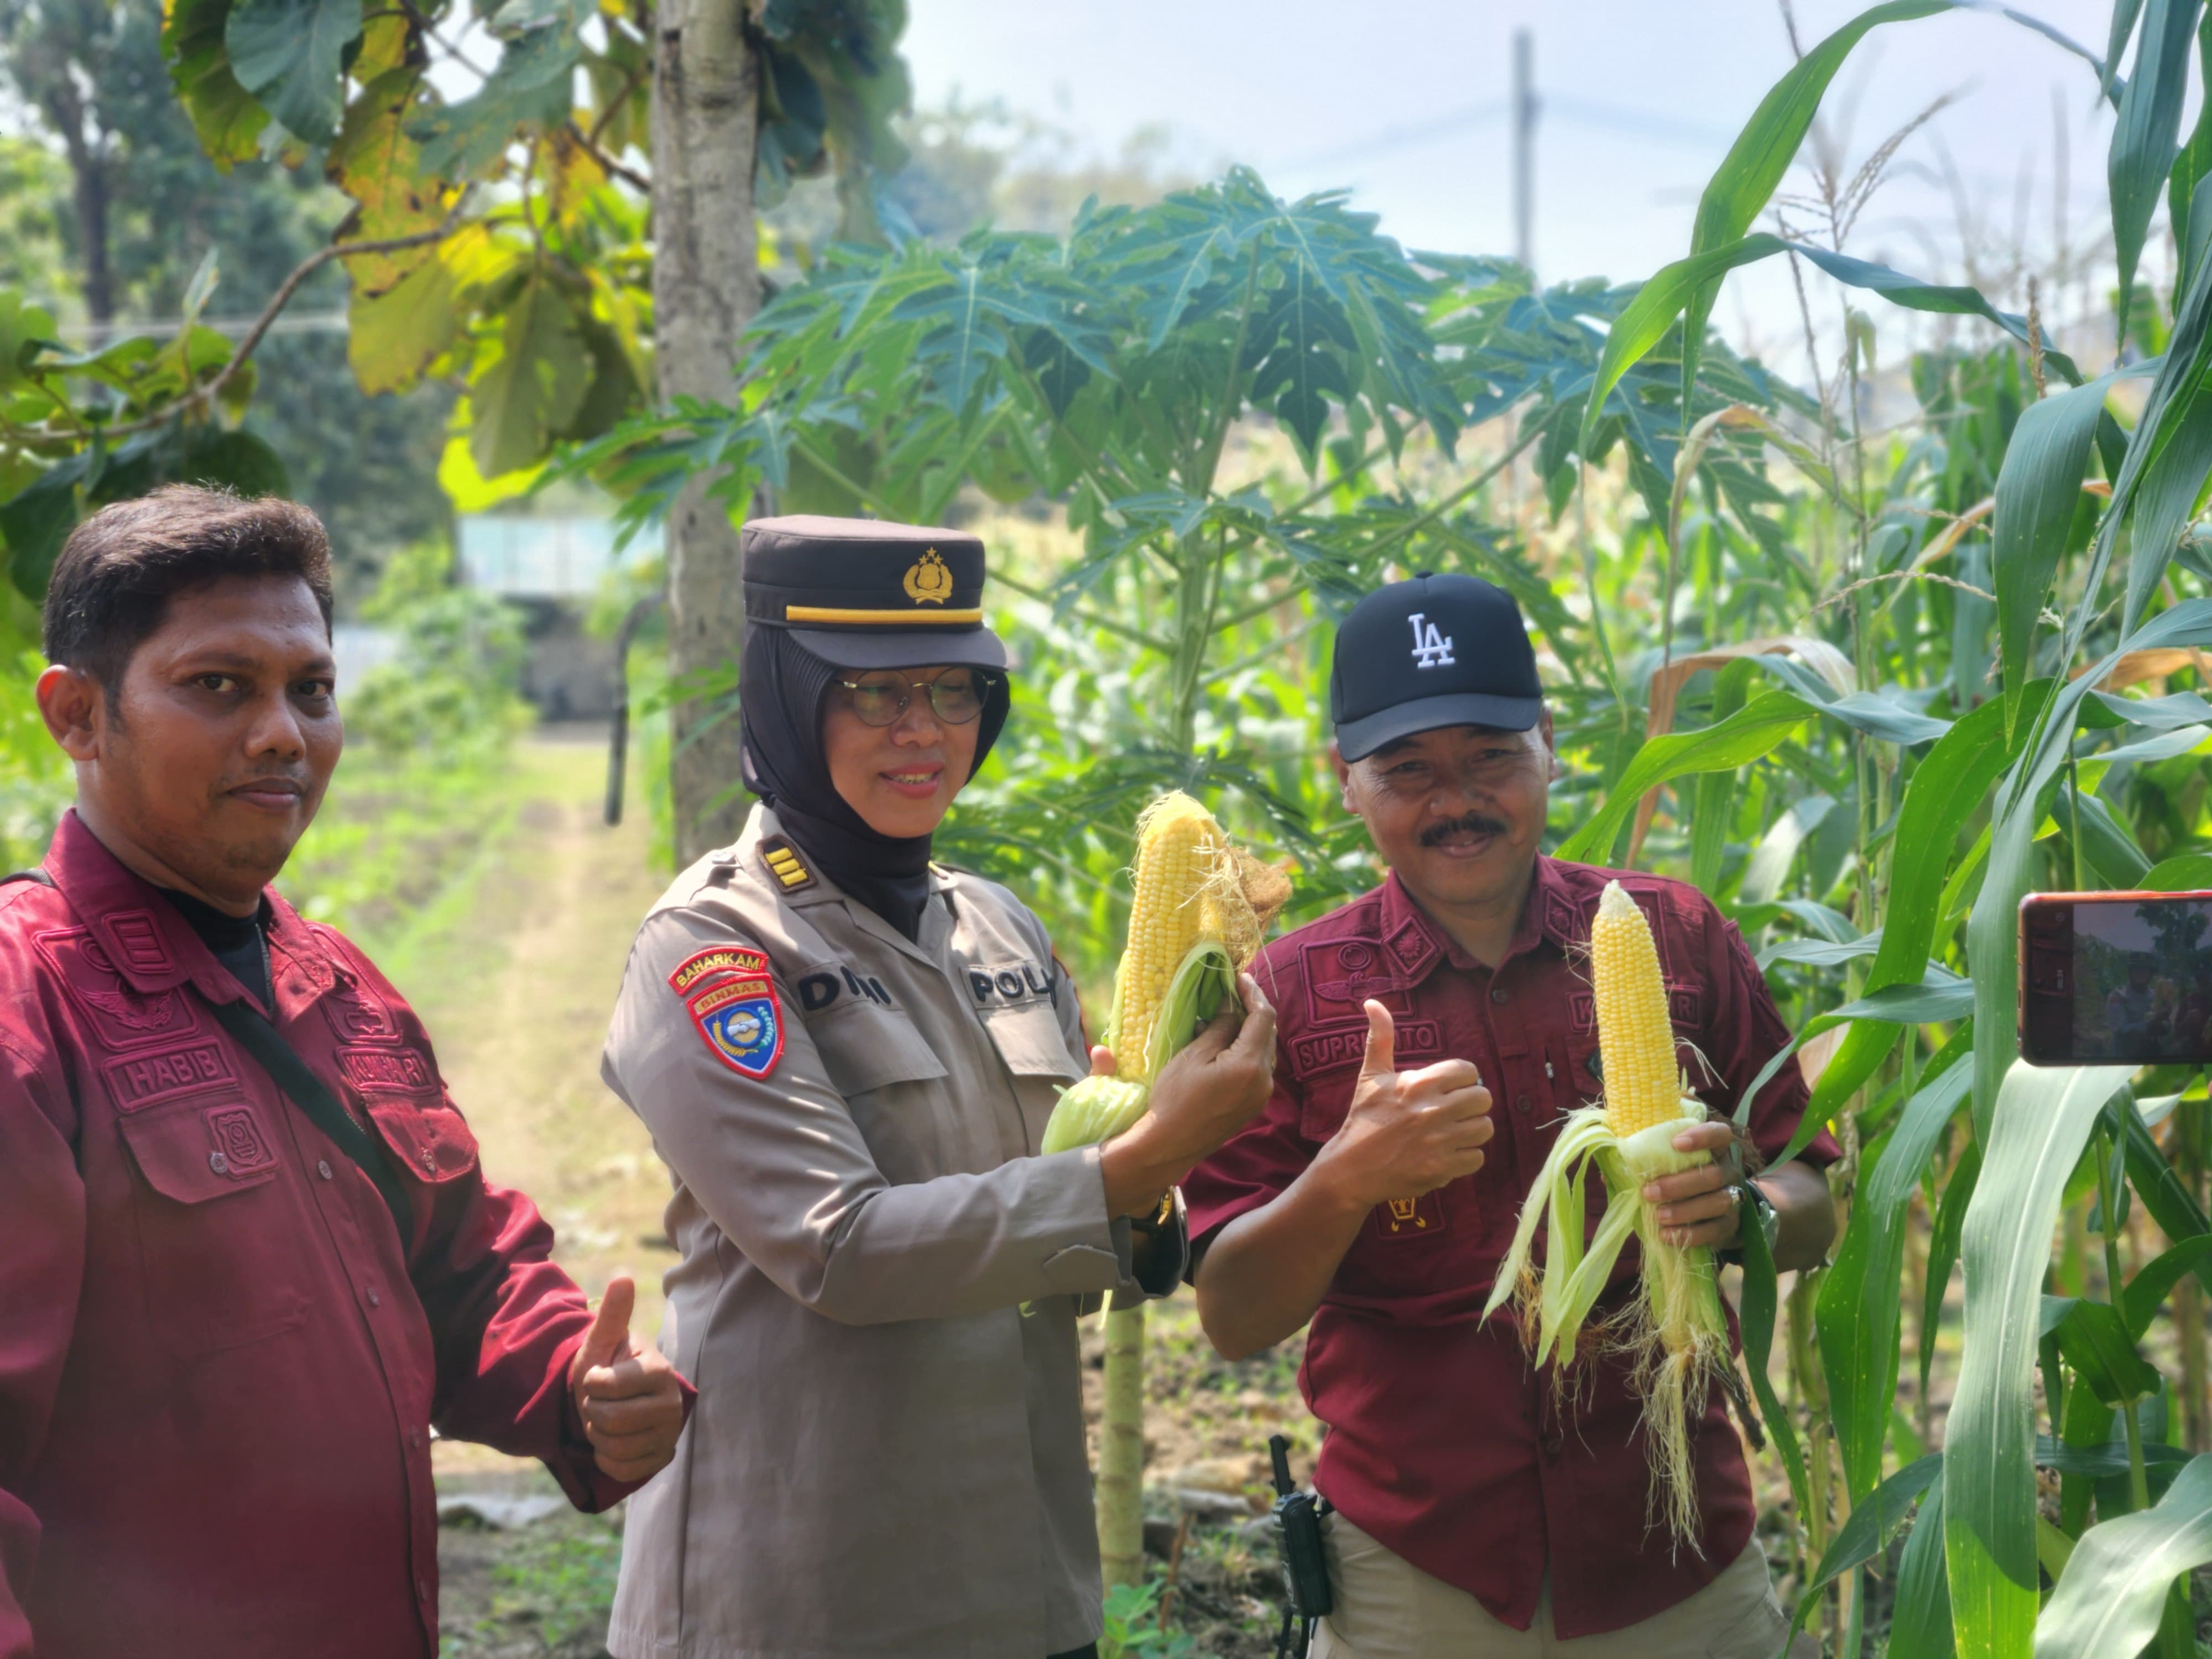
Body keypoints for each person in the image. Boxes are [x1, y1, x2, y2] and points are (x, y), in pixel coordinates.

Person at [0, 487, 692, 1659]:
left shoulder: (340, 986)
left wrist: (582, 1389)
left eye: (311, 691)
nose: (283, 733)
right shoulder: (31, 1011)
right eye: (219, 685)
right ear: (78, 715)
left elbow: (457, 1272)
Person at [599, 515, 1278, 1659]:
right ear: (784, 696)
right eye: (871, 694)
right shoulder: (715, 947)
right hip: (806, 1596)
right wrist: (1138, 1162)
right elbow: (841, 1251)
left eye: (953, 692)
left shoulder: (998, 928)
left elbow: (1069, 1256)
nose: (921, 732)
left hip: (1015, 1584)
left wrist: (1153, 1190)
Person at [1183, 573, 1840, 1659]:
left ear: (1546, 744)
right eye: (1406, 772)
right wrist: (1345, 1177)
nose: (1454, 801)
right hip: (1417, 1574)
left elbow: (1811, 1197)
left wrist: (1739, 1209)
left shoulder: (1675, 935)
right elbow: (1231, 1316)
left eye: (1489, 756)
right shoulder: (1287, 997)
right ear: (1343, 783)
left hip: (1676, 1558)